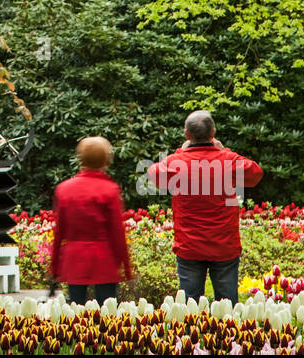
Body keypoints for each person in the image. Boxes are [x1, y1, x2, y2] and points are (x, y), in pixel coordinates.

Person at [148, 110, 262, 303]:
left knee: (189, 307)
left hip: (189, 246)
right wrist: (223, 150)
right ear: (213, 133)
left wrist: (181, 151)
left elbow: (153, 174)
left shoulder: (176, 162)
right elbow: (255, 173)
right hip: (224, 245)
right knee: (227, 308)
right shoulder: (228, 160)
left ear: (186, 135)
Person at [49, 136, 134, 306]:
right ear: (106, 161)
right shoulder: (109, 190)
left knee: (75, 313)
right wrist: (126, 267)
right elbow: (117, 232)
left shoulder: (64, 189)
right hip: (104, 259)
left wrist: (55, 267)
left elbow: (59, 232)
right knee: (107, 314)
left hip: (74, 258)